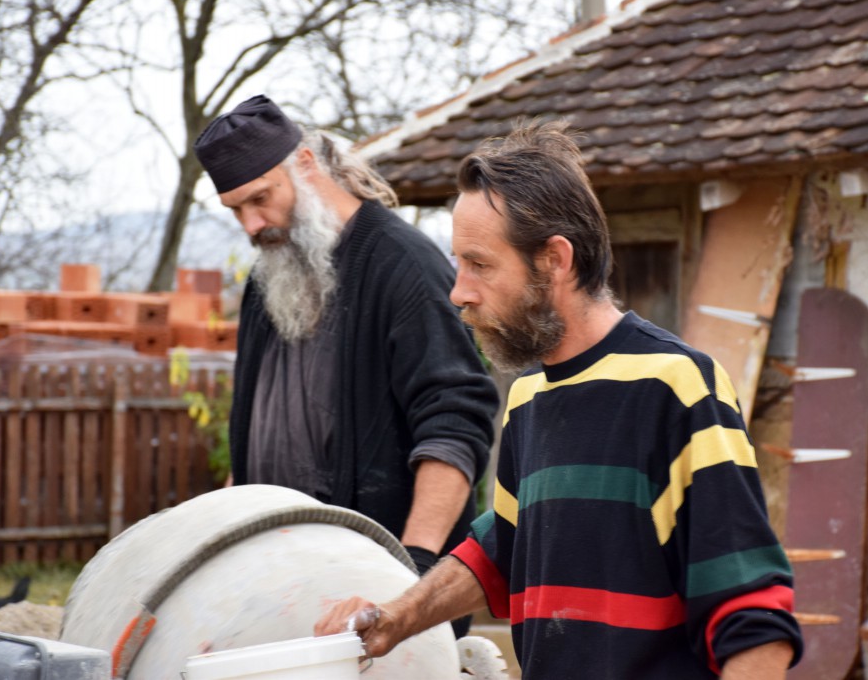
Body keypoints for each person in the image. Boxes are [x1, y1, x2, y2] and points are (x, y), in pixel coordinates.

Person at [315, 121, 804, 678]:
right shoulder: (529, 397)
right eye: (459, 263)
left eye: (479, 264)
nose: (459, 291)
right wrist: (394, 618)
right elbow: (502, 550)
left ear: (554, 259)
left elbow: (754, 618)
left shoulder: (675, 385)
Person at [192, 96, 499, 633]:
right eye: (235, 210)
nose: (251, 224)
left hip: (381, 595)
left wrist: (411, 577)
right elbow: (254, 434)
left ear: (306, 164)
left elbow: (455, 427)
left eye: (260, 198)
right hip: (285, 586)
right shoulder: (267, 280)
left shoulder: (403, 263)